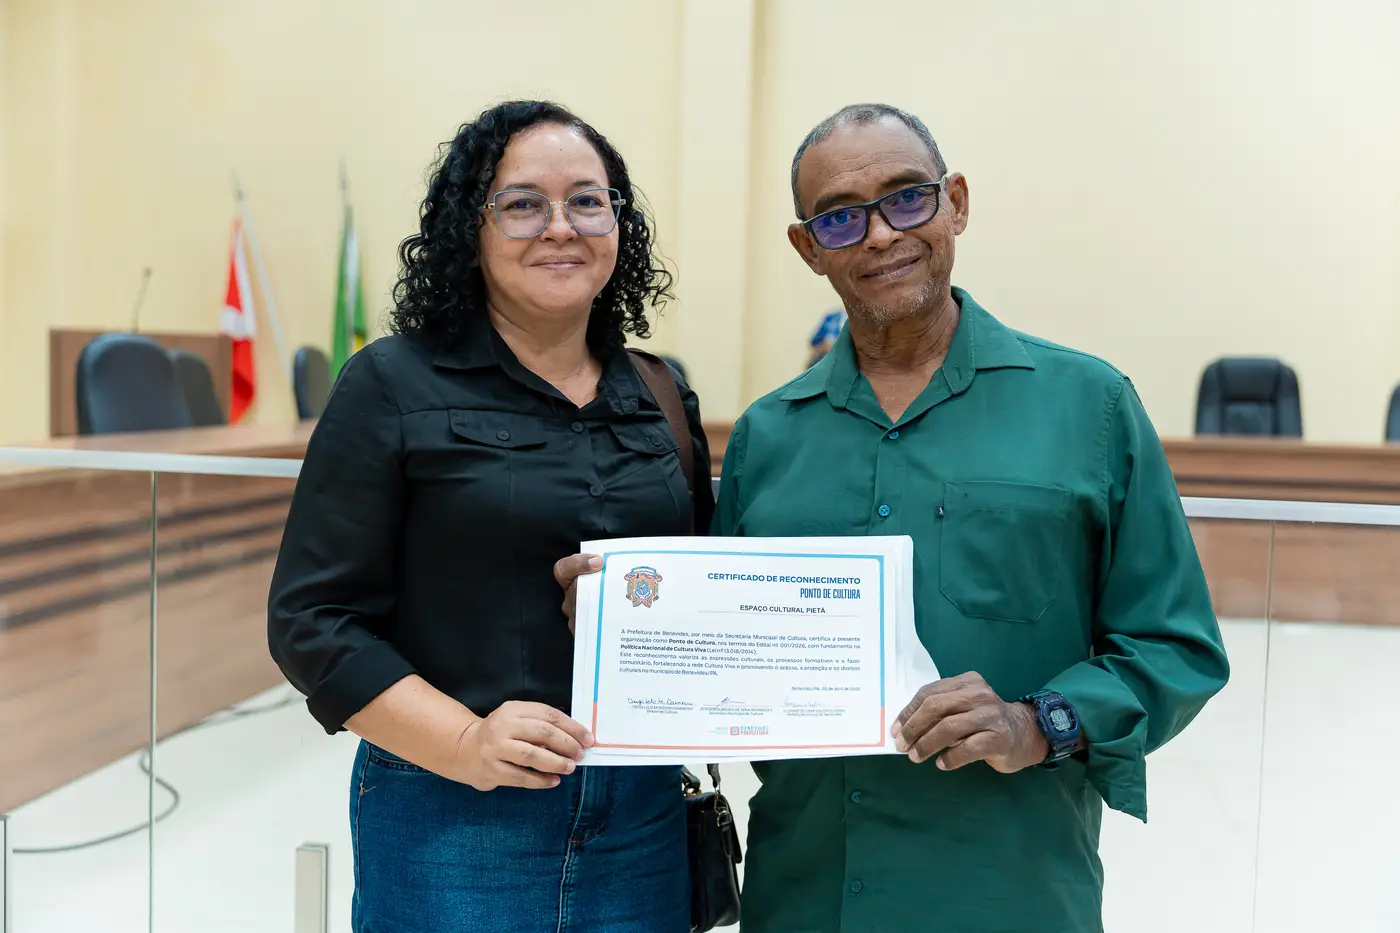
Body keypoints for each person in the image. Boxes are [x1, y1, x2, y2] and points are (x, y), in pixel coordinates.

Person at [559, 102, 1231, 932]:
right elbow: (721, 653)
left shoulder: (1089, 406)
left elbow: (1175, 646)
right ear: (808, 247)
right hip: (805, 896)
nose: (880, 235)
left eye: (908, 198)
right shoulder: (771, 434)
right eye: (840, 218)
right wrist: (623, 621)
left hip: (1008, 895)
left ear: (956, 202)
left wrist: (1035, 723)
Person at [267, 100, 712, 933]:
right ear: (470, 227)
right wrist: (465, 743)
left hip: (640, 817)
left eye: (588, 201)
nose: (561, 226)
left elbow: (702, 585)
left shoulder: (659, 392)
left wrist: (647, 605)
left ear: (619, 224)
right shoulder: (391, 383)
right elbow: (312, 620)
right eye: (523, 203)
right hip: (452, 812)